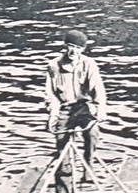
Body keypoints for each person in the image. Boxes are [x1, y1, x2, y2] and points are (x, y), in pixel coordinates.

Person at [45, 28, 107, 169]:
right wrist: (53, 115)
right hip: (64, 110)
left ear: (83, 49)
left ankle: (88, 166)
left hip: (83, 108)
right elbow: (51, 95)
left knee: (92, 133)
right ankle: (64, 179)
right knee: (62, 145)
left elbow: (98, 90)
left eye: (78, 48)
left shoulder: (89, 64)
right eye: (71, 46)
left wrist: (100, 110)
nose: (74, 51)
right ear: (65, 45)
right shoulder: (54, 65)